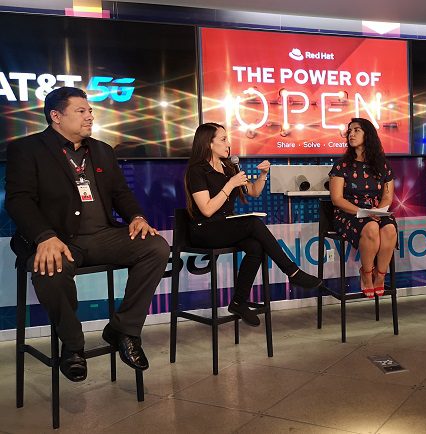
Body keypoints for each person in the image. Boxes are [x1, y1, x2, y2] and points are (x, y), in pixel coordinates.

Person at [5, 87, 170, 382]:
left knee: (156, 247)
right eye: (81, 111)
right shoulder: (27, 149)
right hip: (59, 240)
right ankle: (72, 345)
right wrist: (44, 236)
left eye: (90, 111)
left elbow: (121, 193)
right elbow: (19, 200)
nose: (89, 116)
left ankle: (123, 329)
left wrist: (137, 217)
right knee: (50, 269)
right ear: (56, 116)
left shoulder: (102, 150)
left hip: (103, 236)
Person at [184, 122, 323, 327]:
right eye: (223, 139)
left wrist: (263, 175)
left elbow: (253, 191)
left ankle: (238, 302)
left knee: (255, 246)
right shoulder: (197, 171)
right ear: (208, 144)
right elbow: (206, 209)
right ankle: (292, 272)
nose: (228, 144)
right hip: (203, 229)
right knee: (253, 223)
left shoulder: (228, 167)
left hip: (224, 225)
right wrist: (230, 184)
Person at [329, 118, 397, 298]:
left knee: (389, 229)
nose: (351, 134)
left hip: (376, 211)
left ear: (368, 135)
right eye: (350, 131)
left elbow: (387, 196)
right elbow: (337, 199)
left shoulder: (382, 164)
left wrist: (378, 212)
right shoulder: (341, 165)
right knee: (371, 227)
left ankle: (380, 275)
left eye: (356, 130)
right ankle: (366, 273)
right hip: (349, 213)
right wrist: (362, 213)